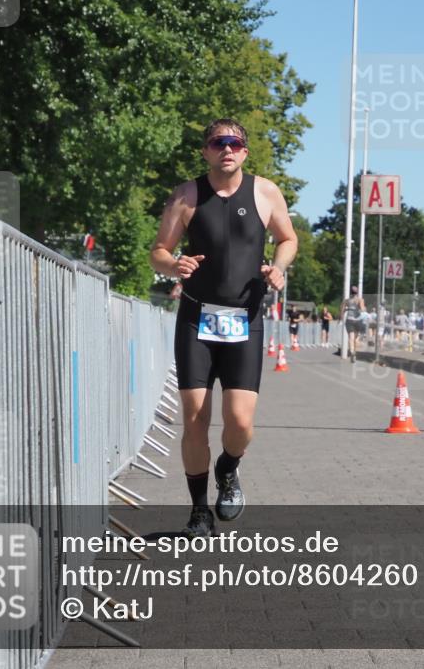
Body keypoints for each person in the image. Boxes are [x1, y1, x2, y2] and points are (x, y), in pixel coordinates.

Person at [150, 118, 298, 538]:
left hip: (244, 320)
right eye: (218, 143)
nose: (227, 149)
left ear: (245, 152)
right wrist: (173, 264)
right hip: (197, 318)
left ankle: (228, 468)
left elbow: (288, 239)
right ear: (206, 151)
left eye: (234, 143)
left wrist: (280, 268)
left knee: (240, 423)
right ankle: (199, 512)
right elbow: (158, 251)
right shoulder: (187, 195)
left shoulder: (265, 192)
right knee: (195, 420)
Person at [342, 286, 366, 362]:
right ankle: (354, 353)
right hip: (357, 321)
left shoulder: (346, 300)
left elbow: (342, 310)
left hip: (349, 320)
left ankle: (352, 352)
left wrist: (342, 318)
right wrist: (363, 309)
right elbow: (362, 309)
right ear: (357, 292)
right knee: (355, 339)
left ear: (350, 292)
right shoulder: (360, 300)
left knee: (351, 338)